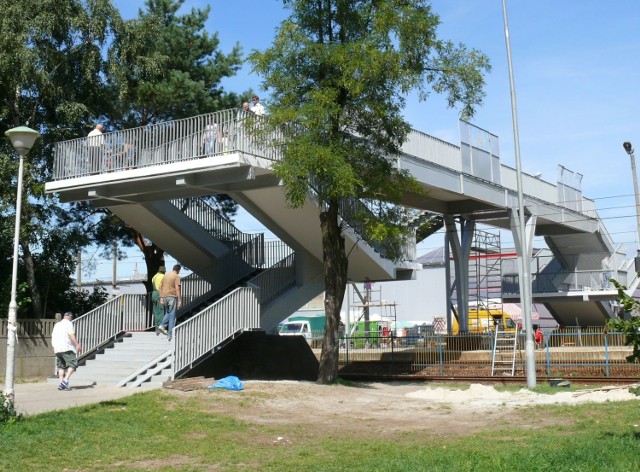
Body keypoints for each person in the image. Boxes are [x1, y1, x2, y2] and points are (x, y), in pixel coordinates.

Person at [51, 311, 82, 391]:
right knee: (73, 364)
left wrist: (54, 346)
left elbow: (53, 336)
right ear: (70, 317)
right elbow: (71, 335)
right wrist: (77, 345)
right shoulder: (68, 324)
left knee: (61, 366)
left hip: (57, 348)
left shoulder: (57, 325)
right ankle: (65, 381)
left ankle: (61, 384)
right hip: (66, 348)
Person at [158, 264, 182, 341]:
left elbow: (160, 286)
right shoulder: (176, 276)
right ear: (178, 270)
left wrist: (161, 297)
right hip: (172, 297)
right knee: (172, 316)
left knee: (168, 313)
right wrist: (179, 299)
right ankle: (170, 335)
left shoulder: (166, 275)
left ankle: (162, 325)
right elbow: (177, 288)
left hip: (164, 297)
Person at [152, 265, 166, 333]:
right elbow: (163, 286)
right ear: (163, 271)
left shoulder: (154, 276)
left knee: (156, 311)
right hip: (159, 294)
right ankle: (160, 327)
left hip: (153, 294)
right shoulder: (163, 276)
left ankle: (156, 327)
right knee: (161, 311)